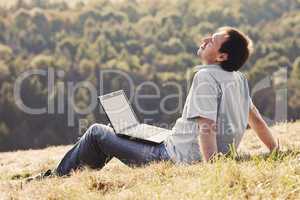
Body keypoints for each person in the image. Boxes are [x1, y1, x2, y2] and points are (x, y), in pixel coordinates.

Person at [27, 26, 278, 181]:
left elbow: (207, 126)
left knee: (96, 133)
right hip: (175, 145)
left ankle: (57, 178)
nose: (205, 40)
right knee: (135, 130)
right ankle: (77, 169)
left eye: (212, 41)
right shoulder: (239, 79)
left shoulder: (206, 75)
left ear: (221, 56)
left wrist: (212, 170)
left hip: (173, 158)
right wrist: (275, 150)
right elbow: (255, 119)